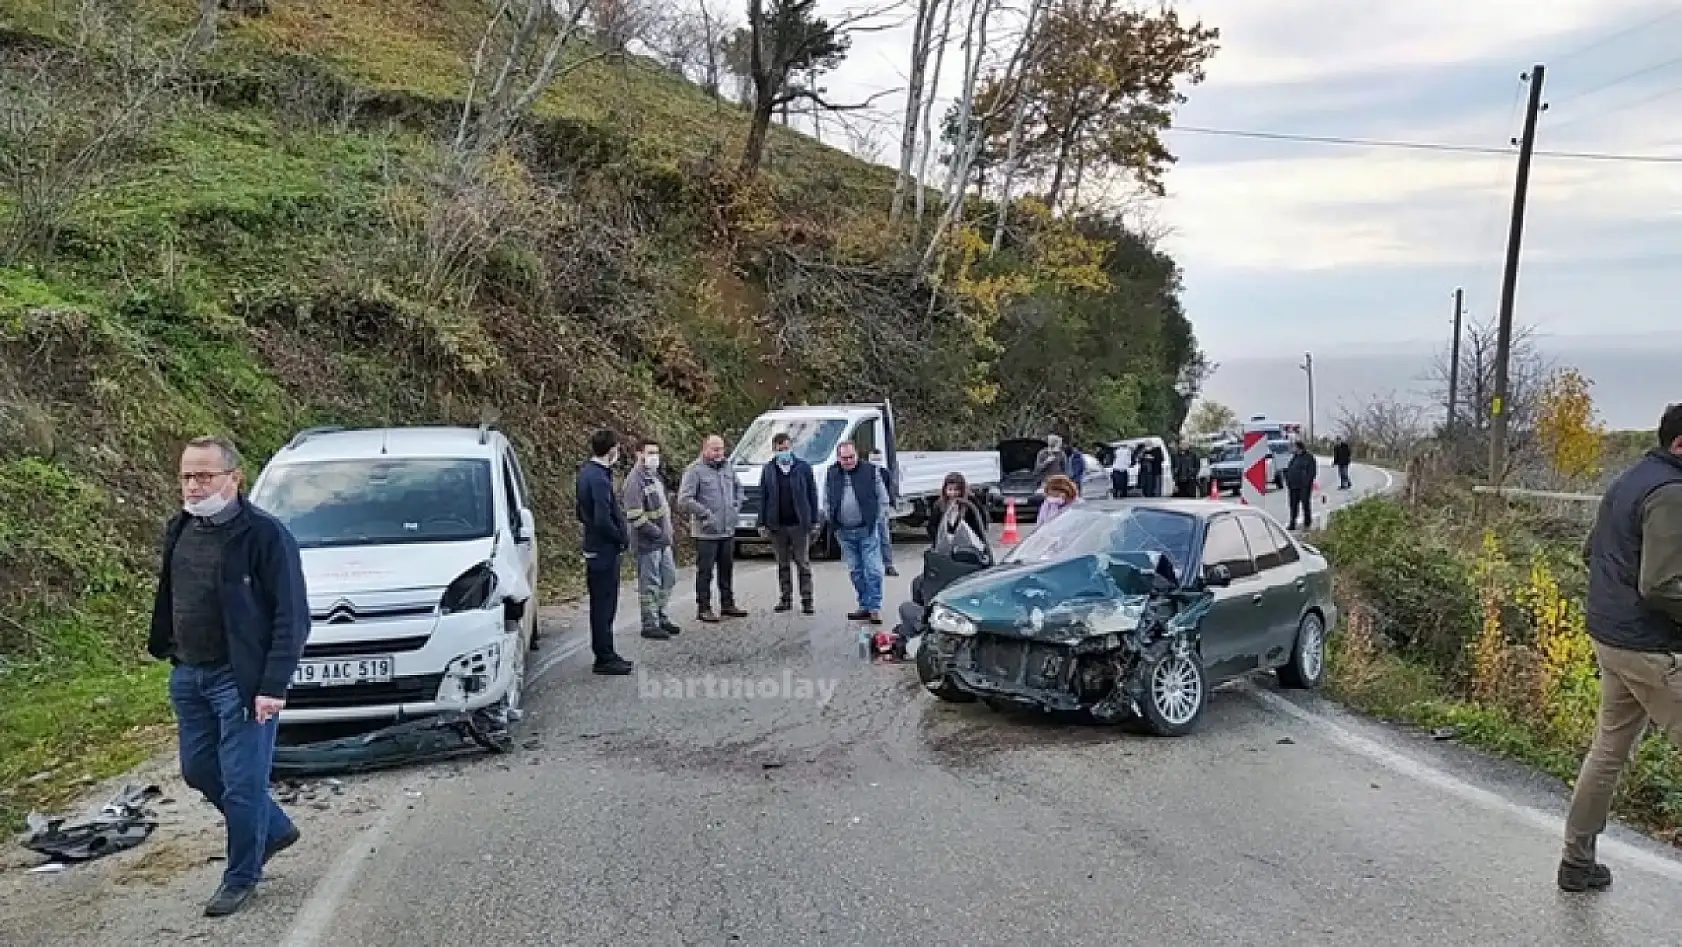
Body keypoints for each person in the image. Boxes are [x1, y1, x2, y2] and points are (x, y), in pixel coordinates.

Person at [146, 435, 308, 918]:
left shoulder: (264, 534)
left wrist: (272, 686)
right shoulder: (181, 528)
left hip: (240, 681)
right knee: (198, 769)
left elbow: (292, 615)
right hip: (188, 674)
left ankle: (241, 876)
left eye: (204, 476)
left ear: (234, 478)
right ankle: (274, 829)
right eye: (186, 476)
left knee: (242, 783)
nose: (193, 486)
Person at [1559, 403, 1682, 893]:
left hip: (1611, 637)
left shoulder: (1630, 478)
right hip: (1649, 647)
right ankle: (1575, 861)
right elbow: (1661, 585)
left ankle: (1577, 861)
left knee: (1608, 750)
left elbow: (1593, 550)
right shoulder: (1672, 493)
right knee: (1609, 749)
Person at [576, 428, 635, 674]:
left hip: (594, 546)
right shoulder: (599, 478)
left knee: (601, 603)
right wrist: (620, 537)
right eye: (617, 449)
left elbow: (580, 511)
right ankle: (604, 656)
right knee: (604, 605)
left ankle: (606, 652)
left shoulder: (585, 473)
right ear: (611, 450)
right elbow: (602, 517)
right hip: (603, 550)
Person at [676, 434, 747, 622]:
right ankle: (704, 607)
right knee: (705, 571)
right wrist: (705, 514)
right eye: (715, 449)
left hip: (727, 529)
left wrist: (735, 507)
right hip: (706, 532)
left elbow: (739, 488)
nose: (719, 453)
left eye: (721, 449)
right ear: (705, 449)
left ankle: (728, 604)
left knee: (727, 569)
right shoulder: (694, 470)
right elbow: (684, 499)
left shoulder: (728, 467)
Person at [622, 438, 681, 640]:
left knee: (669, 578)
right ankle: (649, 622)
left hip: (662, 541)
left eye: (656, 452)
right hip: (647, 543)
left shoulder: (654, 477)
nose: (654, 456)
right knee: (650, 584)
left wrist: (667, 533)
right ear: (639, 454)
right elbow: (635, 516)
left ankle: (661, 615)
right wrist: (657, 532)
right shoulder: (634, 481)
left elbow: (662, 508)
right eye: (650, 452)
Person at [822, 440, 885, 623]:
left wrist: (877, 519)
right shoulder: (832, 473)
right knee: (856, 571)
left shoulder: (871, 471)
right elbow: (827, 497)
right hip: (844, 532)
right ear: (838, 458)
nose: (848, 461)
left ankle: (874, 607)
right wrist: (830, 517)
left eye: (851, 457)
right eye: (844, 458)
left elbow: (882, 498)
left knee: (873, 570)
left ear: (857, 455)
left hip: (867, 530)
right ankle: (864, 605)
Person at [758, 432, 820, 614]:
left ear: (791, 447)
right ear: (774, 450)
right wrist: (762, 522)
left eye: (786, 448)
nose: (783, 452)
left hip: (799, 524)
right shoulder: (769, 469)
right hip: (777, 525)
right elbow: (764, 496)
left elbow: (812, 494)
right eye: (779, 449)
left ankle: (807, 599)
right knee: (782, 564)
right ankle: (785, 598)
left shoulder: (803, 468)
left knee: (802, 563)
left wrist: (814, 519)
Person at [870, 448, 900, 577]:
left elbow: (889, 488)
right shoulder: (865, 472)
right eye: (873, 459)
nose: (876, 461)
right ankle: (872, 566)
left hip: (882, 509)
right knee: (870, 539)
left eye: (878, 459)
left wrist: (891, 504)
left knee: (884, 538)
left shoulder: (884, 473)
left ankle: (888, 565)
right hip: (869, 509)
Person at [1284, 438, 1318, 530]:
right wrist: (1288, 480)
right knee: (1293, 506)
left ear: (1299, 447)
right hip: (1293, 486)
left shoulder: (1308, 457)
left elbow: (1312, 472)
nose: (1292, 449)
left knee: (1305, 504)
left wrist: (1306, 482)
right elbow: (1289, 469)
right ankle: (1292, 523)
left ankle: (1307, 522)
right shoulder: (1294, 457)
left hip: (1304, 486)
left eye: (1294, 447)